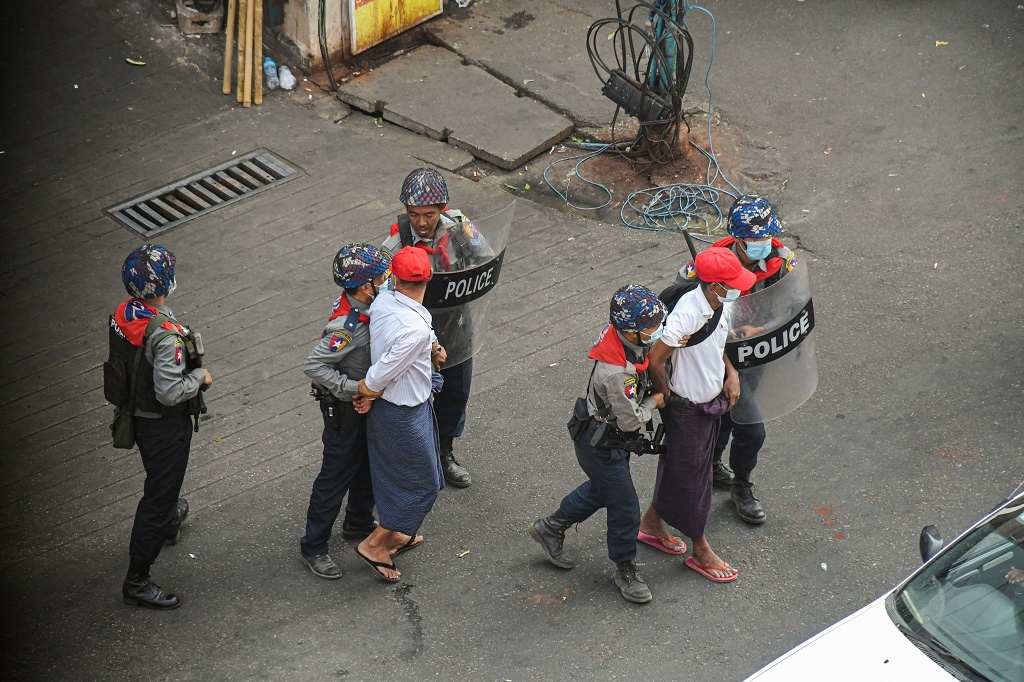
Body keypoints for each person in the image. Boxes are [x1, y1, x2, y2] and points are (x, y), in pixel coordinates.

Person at [529, 286, 667, 604]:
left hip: (605, 437)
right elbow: (631, 420)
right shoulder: (616, 374)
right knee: (626, 508)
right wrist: (656, 401)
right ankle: (624, 568)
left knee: (604, 490)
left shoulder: (625, 337)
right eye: (651, 327)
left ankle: (551, 527)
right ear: (630, 331)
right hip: (601, 442)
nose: (657, 331)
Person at [639, 247, 756, 583]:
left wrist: (730, 373)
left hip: (712, 399)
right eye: (731, 283)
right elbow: (656, 361)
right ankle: (700, 549)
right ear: (714, 285)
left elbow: (716, 345)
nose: (737, 288)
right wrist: (669, 396)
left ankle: (650, 523)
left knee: (682, 468)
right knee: (694, 480)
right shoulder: (686, 314)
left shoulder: (723, 304)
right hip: (687, 408)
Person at [110, 245, 212, 609]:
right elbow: (170, 392)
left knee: (159, 479)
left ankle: (169, 520)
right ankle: (137, 580)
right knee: (159, 495)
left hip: (136, 414)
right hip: (164, 426)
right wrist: (200, 376)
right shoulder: (166, 336)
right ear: (166, 282)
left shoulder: (124, 313)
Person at [381, 167, 492, 488]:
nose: (422, 222)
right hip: (413, 333)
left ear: (442, 208)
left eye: (429, 214)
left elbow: (484, 262)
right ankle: (410, 459)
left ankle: (445, 452)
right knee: (410, 398)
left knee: (455, 391)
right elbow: (383, 295)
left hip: (455, 324)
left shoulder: (460, 227)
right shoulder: (394, 245)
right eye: (414, 214)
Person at [299, 244, 392, 579]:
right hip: (345, 410)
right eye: (382, 276)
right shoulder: (346, 328)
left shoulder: (369, 306)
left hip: (366, 408)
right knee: (335, 477)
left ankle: (358, 521)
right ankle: (314, 547)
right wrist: (355, 388)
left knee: (367, 464)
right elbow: (314, 366)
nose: (387, 279)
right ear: (366, 286)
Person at [354, 246, 445, 582]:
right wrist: (366, 392)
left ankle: (396, 534)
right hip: (402, 413)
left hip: (407, 408)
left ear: (395, 276)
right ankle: (375, 544)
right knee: (424, 484)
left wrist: (434, 347)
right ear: (429, 277)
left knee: (417, 477)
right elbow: (378, 377)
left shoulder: (386, 300)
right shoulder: (413, 329)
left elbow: (423, 329)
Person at [708, 195, 797, 525]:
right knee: (749, 429)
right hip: (718, 357)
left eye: (765, 237)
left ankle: (716, 467)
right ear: (737, 237)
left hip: (758, 354)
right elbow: (681, 311)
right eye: (754, 239)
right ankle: (739, 486)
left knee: (731, 417)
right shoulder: (712, 262)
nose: (762, 244)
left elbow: (794, 306)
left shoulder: (783, 261)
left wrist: (761, 327)